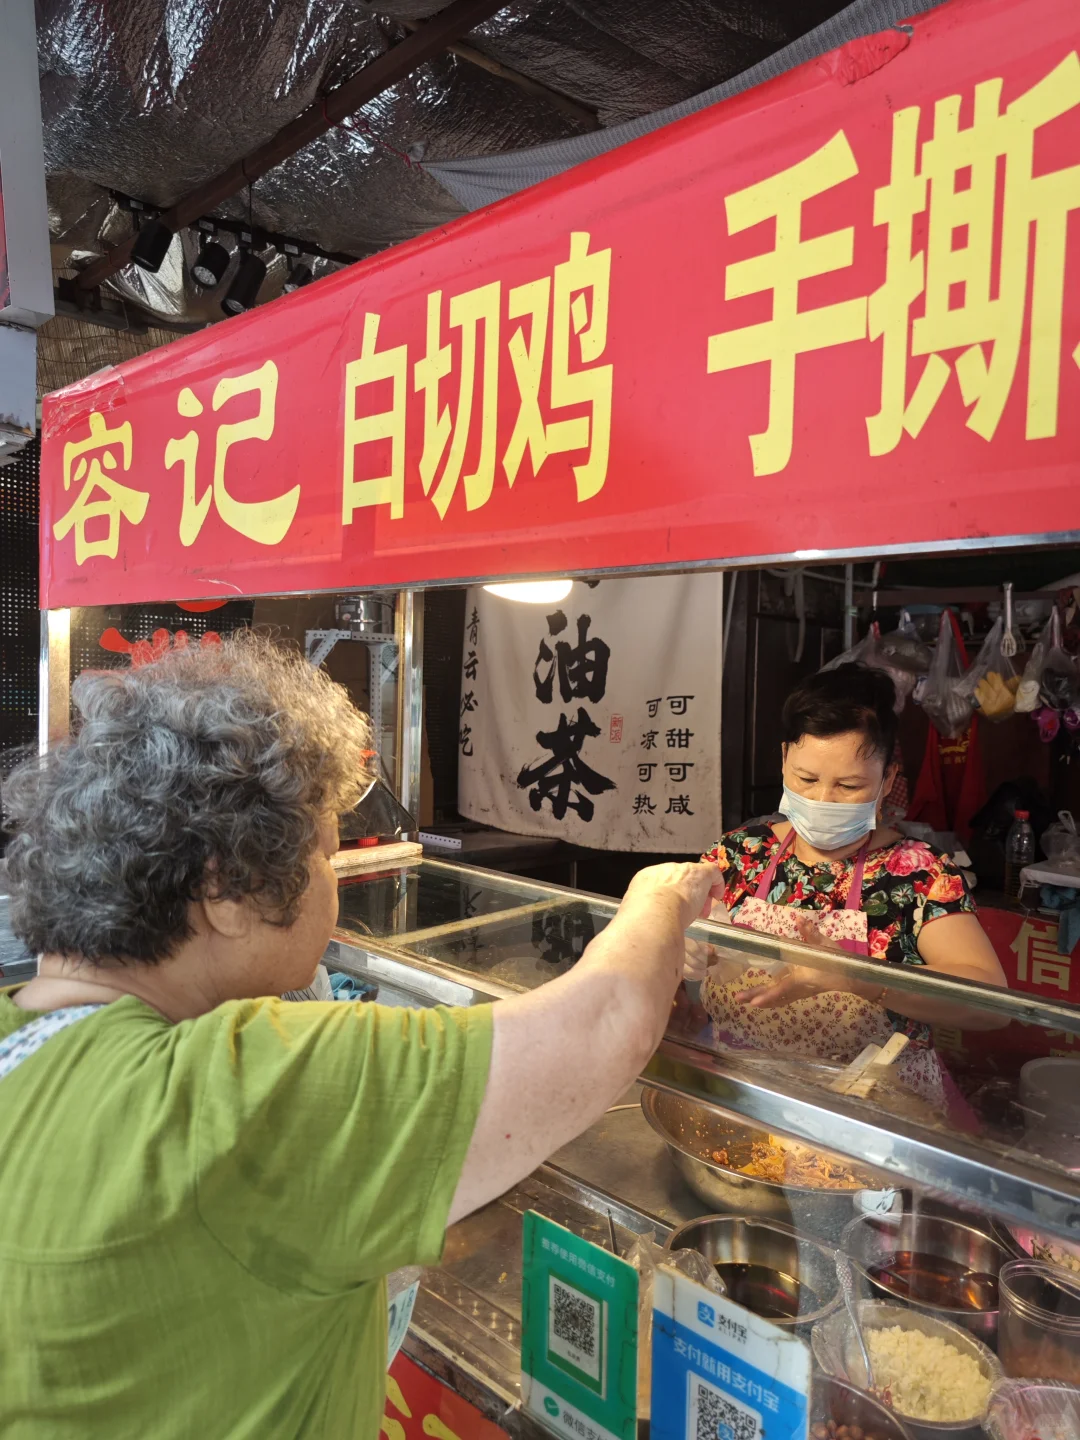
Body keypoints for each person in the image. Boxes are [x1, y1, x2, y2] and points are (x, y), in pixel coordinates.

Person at [0, 634, 722, 1439]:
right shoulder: (233, 1089)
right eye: (327, 854)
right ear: (225, 890)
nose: (335, 883)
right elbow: (608, 1021)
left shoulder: (22, 1037)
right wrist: (661, 895)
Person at [690, 663, 1007, 1103]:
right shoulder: (737, 854)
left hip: (873, 1113)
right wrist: (683, 950)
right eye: (806, 779)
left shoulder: (919, 872)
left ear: (887, 780)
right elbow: (677, 948)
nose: (823, 799)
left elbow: (991, 1005)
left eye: (849, 785)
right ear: (784, 760)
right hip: (744, 1098)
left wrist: (860, 980)